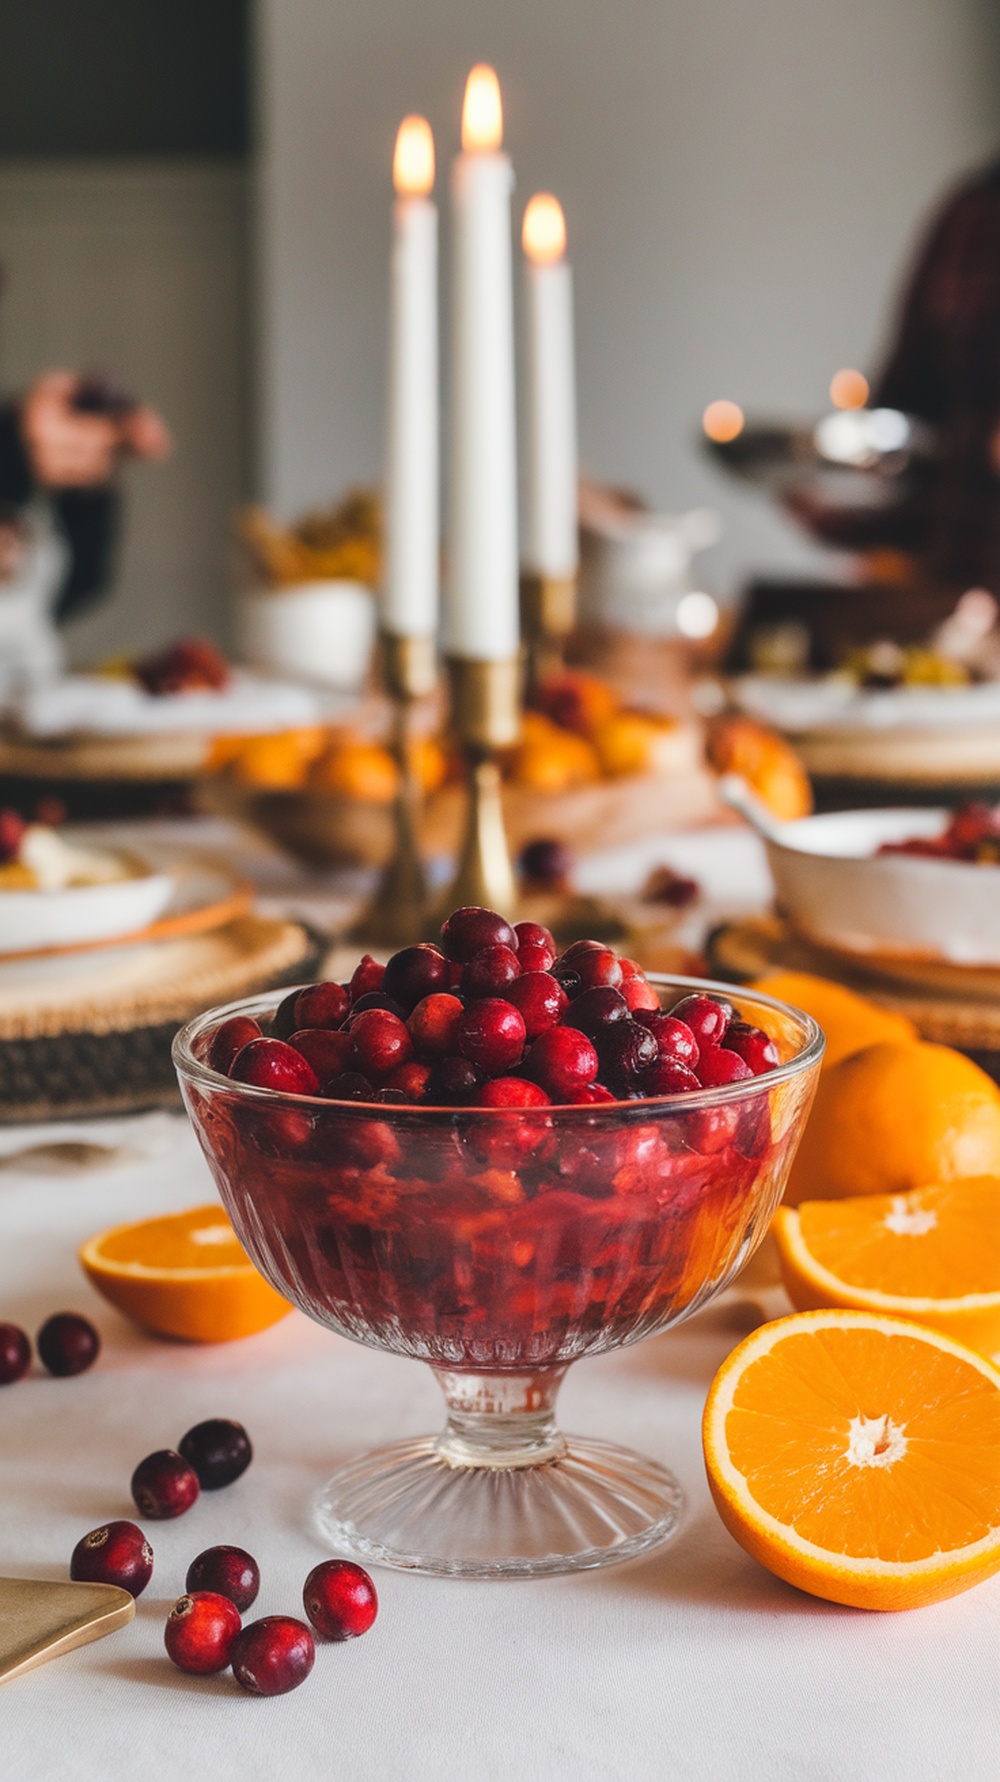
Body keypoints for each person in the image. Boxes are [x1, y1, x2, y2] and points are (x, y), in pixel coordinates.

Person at [0, 369, 171, 624]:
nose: (78, 460)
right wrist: (17, 429)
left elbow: (88, 576)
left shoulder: (59, 501)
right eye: (73, 446)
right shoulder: (15, 446)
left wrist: (94, 491)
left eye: (105, 452)